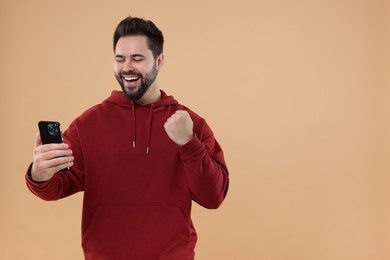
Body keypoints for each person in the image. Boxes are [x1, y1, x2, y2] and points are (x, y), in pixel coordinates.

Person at [26, 16, 229, 259]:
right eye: (120, 58)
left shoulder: (190, 124)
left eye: (137, 58)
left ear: (160, 60)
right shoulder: (88, 125)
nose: (127, 67)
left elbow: (213, 196)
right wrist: (39, 173)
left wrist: (189, 144)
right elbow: (54, 187)